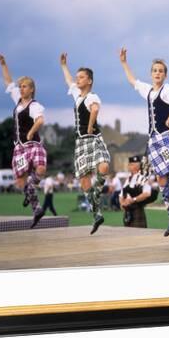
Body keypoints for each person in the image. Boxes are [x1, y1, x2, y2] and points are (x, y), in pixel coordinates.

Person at [119, 48, 169, 236]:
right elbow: (132, 81)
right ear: (151, 73)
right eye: (155, 70)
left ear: (165, 75)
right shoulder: (148, 91)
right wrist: (124, 63)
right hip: (154, 139)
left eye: (161, 70)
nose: (157, 73)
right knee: (161, 177)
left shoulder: (166, 90)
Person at [60, 53, 111, 234]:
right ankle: (96, 213)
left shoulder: (91, 96)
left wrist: (90, 126)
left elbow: (95, 110)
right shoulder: (77, 94)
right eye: (77, 77)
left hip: (93, 138)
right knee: (83, 180)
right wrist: (64, 65)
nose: (77, 79)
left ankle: (97, 194)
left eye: (81, 77)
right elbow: (68, 82)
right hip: (80, 142)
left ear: (89, 81)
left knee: (103, 167)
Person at [0, 54, 47, 229]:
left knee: (41, 168)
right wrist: (4, 65)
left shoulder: (34, 106)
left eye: (24, 86)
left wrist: (31, 132)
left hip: (33, 144)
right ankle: (37, 209)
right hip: (19, 148)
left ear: (31, 89)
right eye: (21, 87)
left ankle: (30, 189)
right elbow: (8, 83)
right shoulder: (17, 101)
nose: (21, 89)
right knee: (20, 182)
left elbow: (40, 121)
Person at [119, 155, 159, 228]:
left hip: (137, 210)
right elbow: (121, 194)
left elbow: (147, 194)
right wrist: (122, 203)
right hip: (128, 212)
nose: (129, 166)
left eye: (131, 165)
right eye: (130, 164)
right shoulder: (128, 179)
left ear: (136, 167)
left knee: (140, 236)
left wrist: (133, 200)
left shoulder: (142, 178)